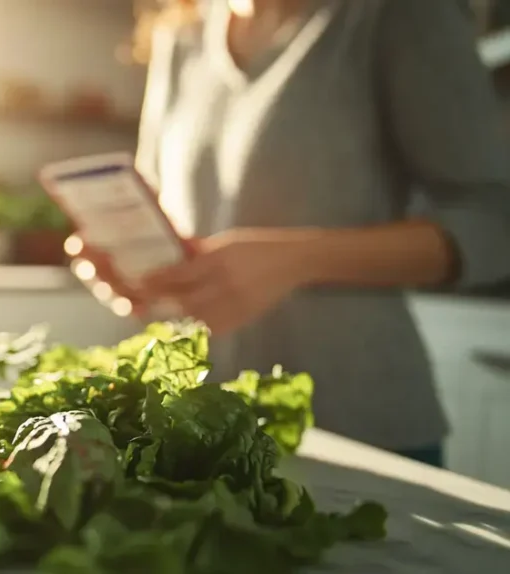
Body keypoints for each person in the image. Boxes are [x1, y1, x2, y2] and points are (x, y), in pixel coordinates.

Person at [69, 0, 510, 468]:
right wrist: (129, 266)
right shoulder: (182, 34)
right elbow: (160, 210)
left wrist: (298, 260)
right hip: (193, 427)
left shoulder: (399, 14)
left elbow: (493, 219)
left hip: (358, 430)